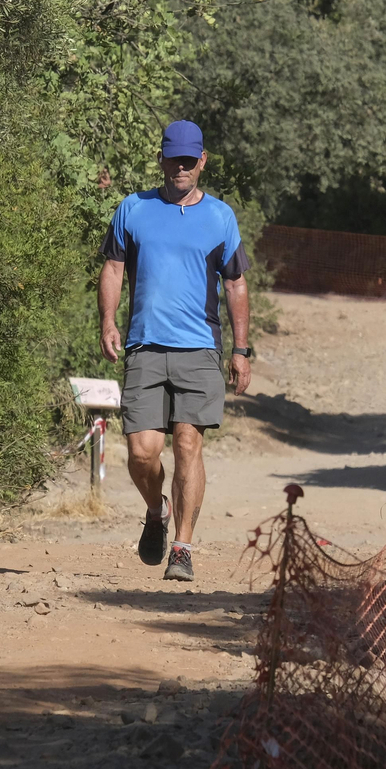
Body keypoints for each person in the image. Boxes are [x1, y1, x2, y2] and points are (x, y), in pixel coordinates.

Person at [97, 120, 252, 582]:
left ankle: (182, 547)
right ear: (161, 159)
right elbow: (113, 267)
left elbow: (236, 283)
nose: (181, 168)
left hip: (200, 349)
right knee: (142, 454)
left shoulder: (220, 216)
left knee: (188, 443)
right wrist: (108, 320)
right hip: (145, 347)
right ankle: (156, 510)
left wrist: (241, 349)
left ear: (202, 161)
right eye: (174, 159)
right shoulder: (133, 209)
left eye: (190, 160)